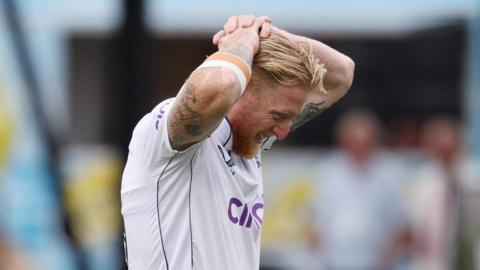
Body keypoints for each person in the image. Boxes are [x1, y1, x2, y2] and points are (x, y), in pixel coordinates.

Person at [121, 15, 354, 270]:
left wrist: (264, 32)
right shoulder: (171, 134)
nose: (283, 131)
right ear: (243, 88)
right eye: (278, 116)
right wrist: (240, 43)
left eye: (291, 117)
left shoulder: (251, 140)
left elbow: (343, 73)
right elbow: (222, 84)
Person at [309, 110, 411, 270]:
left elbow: (401, 224)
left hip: (375, 263)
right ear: (343, 142)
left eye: (364, 144)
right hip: (333, 261)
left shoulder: (389, 172)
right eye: (354, 143)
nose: (359, 149)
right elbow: (316, 221)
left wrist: (390, 258)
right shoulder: (327, 171)